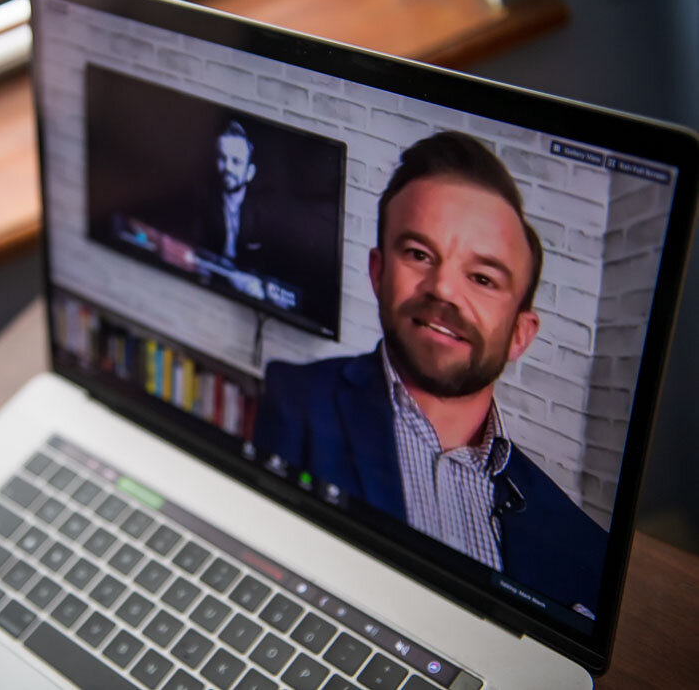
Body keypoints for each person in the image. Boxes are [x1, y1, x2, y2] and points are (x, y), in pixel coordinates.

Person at [252, 131, 608, 616]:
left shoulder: (582, 545)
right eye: (419, 254)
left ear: (521, 334)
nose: (442, 290)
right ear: (378, 274)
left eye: (482, 278)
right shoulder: (294, 399)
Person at [195, 120, 265, 299]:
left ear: (249, 172)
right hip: (210, 274)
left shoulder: (261, 210)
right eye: (222, 158)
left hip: (245, 282)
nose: (227, 167)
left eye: (236, 161)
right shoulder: (204, 200)